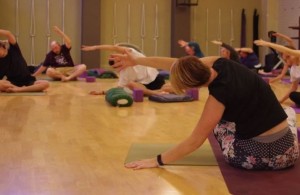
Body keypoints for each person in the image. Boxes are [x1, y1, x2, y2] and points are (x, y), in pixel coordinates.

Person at [111, 51, 299, 170]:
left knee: (220, 125)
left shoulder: (217, 98)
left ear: (193, 87)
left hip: (261, 158)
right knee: (285, 112)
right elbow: (179, 65)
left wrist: (157, 161)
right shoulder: (221, 62)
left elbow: (195, 141)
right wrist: (136, 60)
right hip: (290, 150)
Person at [81, 43, 166, 96]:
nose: (119, 59)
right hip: (144, 87)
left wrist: (95, 47)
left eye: (117, 57)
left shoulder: (132, 54)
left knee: (170, 88)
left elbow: (114, 48)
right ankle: (155, 93)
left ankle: (159, 91)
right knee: (131, 84)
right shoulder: (124, 73)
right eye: (116, 61)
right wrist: (102, 92)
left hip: (156, 79)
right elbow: (120, 88)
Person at [255, 39, 300, 105]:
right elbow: (294, 88)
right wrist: (280, 101)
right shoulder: (293, 70)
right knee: (293, 95)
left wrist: (268, 44)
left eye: (288, 56)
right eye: (286, 59)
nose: (288, 60)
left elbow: (288, 49)